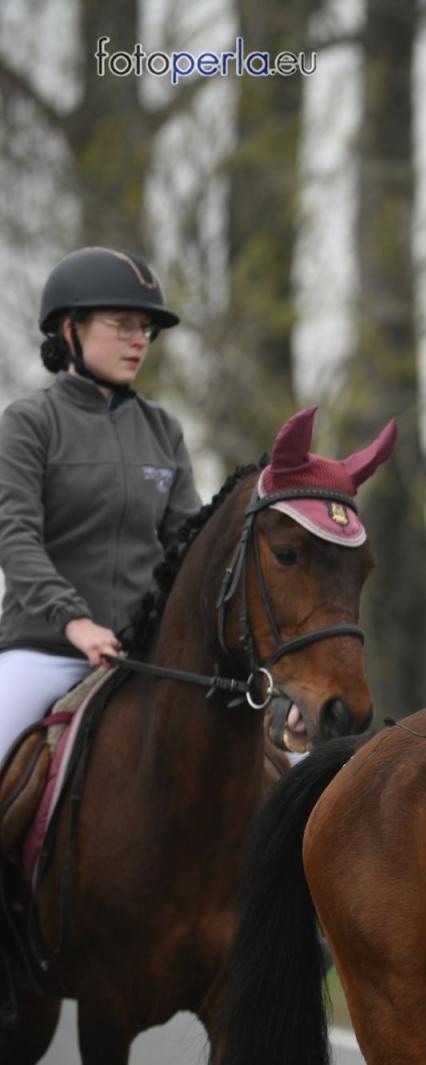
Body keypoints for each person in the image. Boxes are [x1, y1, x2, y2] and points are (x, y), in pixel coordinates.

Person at [0, 247, 200, 768]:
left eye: (147, 330)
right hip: (46, 652)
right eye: (123, 325)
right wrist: (75, 621)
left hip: (146, 660)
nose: (140, 340)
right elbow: (15, 537)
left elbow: (191, 550)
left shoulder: (164, 430)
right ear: (70, 329)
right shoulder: (29, 424)